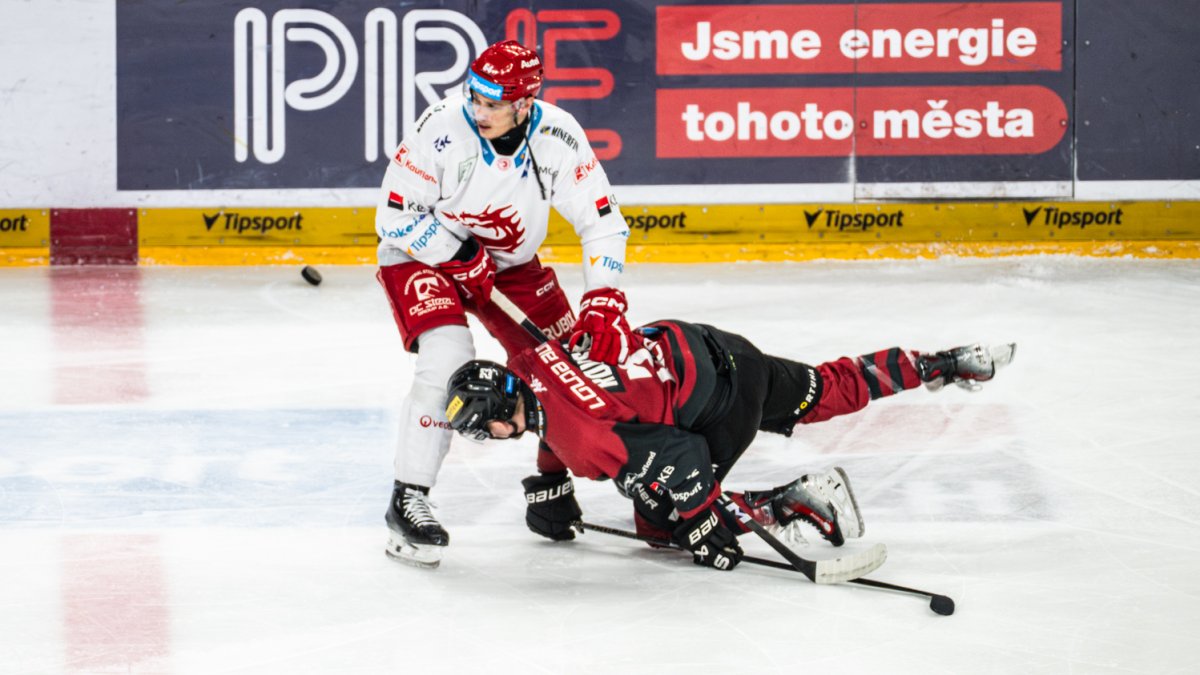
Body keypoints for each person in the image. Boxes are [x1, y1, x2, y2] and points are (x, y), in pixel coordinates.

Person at [444, 320, 1015, 571]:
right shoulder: (527, 362)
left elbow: (678, 457)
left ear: (497, 411)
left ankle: (797, 500)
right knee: (824, 387)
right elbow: (559, 413)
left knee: (660, 522)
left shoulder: (584, 441)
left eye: (480, 428)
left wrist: (697, 520)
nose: (483, 440)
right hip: (718, 350)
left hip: (718, 407)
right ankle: (941, 362)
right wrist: (548, 483)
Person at [374, 40, 635, 568]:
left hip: (510, 265)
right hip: (422, 254)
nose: (480, 111)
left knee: (570, 365)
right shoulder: (440, 128)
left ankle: (549, 484)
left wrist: (604, 297)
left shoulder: (559, 136)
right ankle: (409, 497)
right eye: (476, 97)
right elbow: (393, 217)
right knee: (447, 356)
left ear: (525, 102)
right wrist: (456, 251)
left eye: (495, 103)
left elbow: (602, 223)